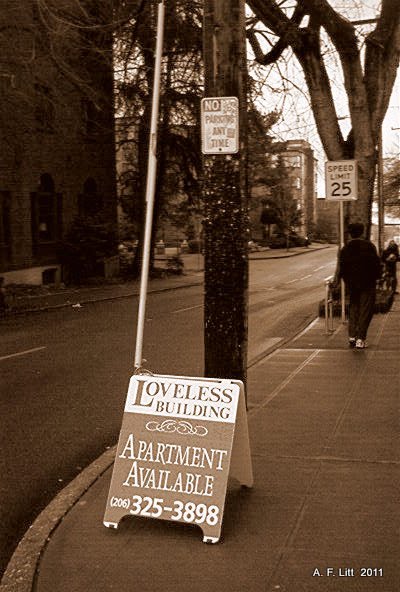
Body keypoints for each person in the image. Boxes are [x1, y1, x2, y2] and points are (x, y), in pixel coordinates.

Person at [337, 222, 381, 349]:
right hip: (367, 284)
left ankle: (352, 336)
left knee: (354, 309)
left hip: (352, 285)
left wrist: (345, 281)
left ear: (350, 233)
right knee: (365, 311)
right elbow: (376, 265)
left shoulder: (345, 248)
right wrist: (377, 277)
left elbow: (342, 267)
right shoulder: (369, 246)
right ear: (362, 232)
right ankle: (360, 339)